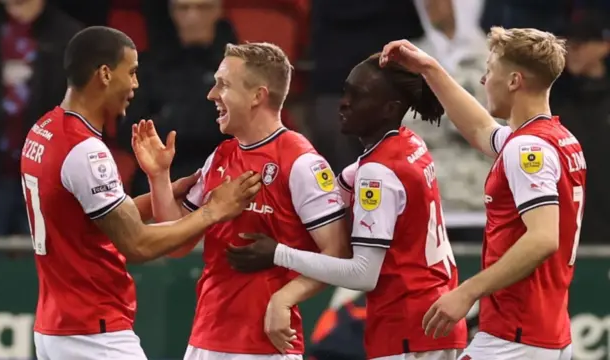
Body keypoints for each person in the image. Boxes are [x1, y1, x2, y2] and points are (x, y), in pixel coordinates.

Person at [20, 26, 261, 360]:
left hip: (56, 328)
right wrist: (213, 211)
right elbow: (136, 243)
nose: (135, 85)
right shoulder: (86, 151)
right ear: (105, 74)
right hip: (94, 331)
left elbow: (86, 220)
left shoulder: (45, 128)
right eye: (131, 73)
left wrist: (162, 189)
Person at [226, 53, 468, 360]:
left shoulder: (376, 173)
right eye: (346, 92)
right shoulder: (408, 144)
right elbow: (339, 190)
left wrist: (277, 252)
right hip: (434, 320)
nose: (344, 103)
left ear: (389, 109)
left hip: (409, 328)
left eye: (359, 96)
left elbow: (362, 274)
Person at [131, 42, 350, 360]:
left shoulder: (301, 162)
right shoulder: (221, 155)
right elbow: (176, 243)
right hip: (207, 338)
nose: (212, 95)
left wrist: (285, 298)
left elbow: (338, 253)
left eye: (224, 85)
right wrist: (159, 177)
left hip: (266, 346)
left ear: (257, 96)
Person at [380, 27, 585, 359]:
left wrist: (467, 292)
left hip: (516, 336)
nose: (482, 80)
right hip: (544, 332)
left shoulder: (526, 149)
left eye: (488, 71)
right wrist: (430, 69)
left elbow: (543, 238)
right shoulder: (557, 139)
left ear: (514, 81)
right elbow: (480, 129)